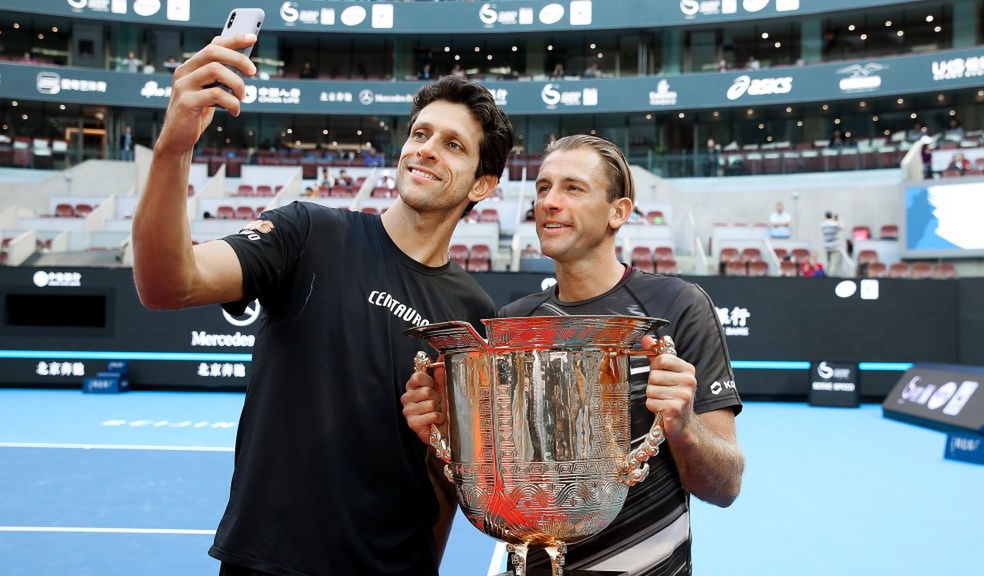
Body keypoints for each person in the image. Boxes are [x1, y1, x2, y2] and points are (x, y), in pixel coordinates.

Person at [132, 32, 514, 576]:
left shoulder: (474, 313)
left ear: (482, 184)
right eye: (420, 133)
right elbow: (169, 284)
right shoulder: (309, 232)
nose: (425, 148)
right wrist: (174, 147)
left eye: (453, 144)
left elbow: (445, 474)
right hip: (268, 563)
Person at [402, 135, 743, 576]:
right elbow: (490, 475)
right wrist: (446, 427)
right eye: (543, 188)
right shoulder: (511, 322)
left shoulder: (677, 308)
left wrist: (684, 428)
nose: (549, 202)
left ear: (617, 212)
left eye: (573, 188)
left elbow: (726, 484)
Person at [820, 211, 845, 277]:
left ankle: (827, 276)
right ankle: (830, 278)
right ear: (831, 216)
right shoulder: (834, 224)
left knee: (829, 263)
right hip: (834, 247)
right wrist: (837, 220)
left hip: (827, 247)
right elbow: (842, 227)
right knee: (833, 264)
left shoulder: (823, 224)